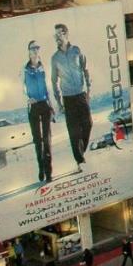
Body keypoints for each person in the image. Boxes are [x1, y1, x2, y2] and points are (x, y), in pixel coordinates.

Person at [51, 22, 93, 172]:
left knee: (88, 124)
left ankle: (81, 153)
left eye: (59, 34)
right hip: (68, 98)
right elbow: (54, 81)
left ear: (66, 34)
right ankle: (79, 160)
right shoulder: (55, 58)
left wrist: (89, 90)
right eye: (55, 35)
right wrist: (59, 102)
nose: (57, 37)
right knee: (73, 131)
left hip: (81, 95)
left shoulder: (77, 51)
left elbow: (85, 69)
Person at [22, 40, 54, 184]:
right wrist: (27, 98)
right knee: (38, 141)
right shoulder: (24, 69)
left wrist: (51, 104)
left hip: (44, 105)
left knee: (47, 139)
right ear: (28, 51)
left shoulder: (44, 67)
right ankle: (41, 167)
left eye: (37, 48)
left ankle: (48, 172)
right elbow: (20, 87)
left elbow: (50, 86)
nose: (35, 50)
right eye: (32, 48)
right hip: (33, 107)